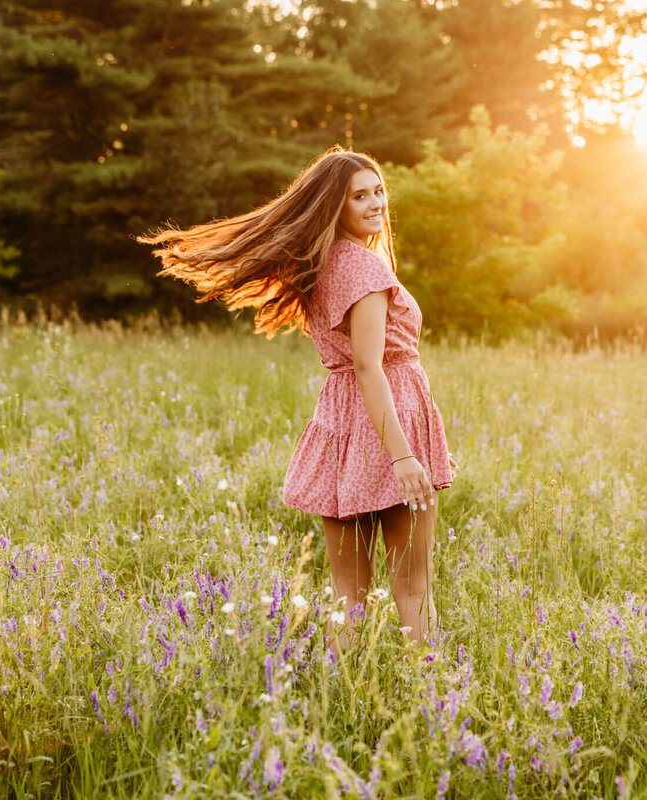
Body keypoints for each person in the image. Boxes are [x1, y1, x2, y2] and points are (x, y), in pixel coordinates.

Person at [140, 147, 455, 648]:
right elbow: (369, 367)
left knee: (349, 594)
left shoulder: (321, 265)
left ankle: (339, 701)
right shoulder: (368, 272)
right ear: (335, 206)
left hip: (341, 422)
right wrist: (403, 457)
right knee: (412, 590)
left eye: (378, 192)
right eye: (359, 196)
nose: (375, 204)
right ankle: (432, 702)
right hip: (388, 417)